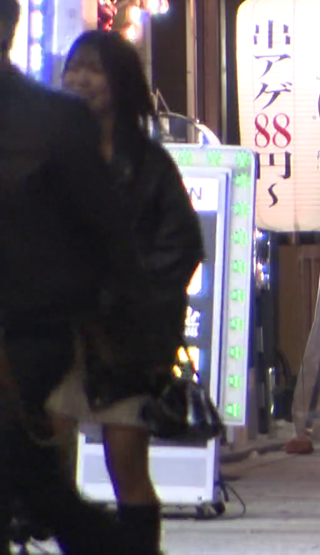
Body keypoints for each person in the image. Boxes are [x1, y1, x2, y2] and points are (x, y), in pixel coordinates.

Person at [0, 0, 149, 553]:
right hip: (36, 323)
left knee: (33, 475)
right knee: (33, 478)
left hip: (30, 332)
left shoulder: (54, 121)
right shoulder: (57, 118)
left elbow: (105, 230)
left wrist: (127, 331)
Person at [43, 30, 205, 553]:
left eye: (93, 69)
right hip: (62, 332)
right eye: (73, 67)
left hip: (126, 340)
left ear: (119, 82)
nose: (79, 79)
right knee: (50, 463)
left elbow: (181, 246)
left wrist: (127, 294)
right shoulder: (52, 154)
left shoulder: (150, 164)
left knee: (125, 462)